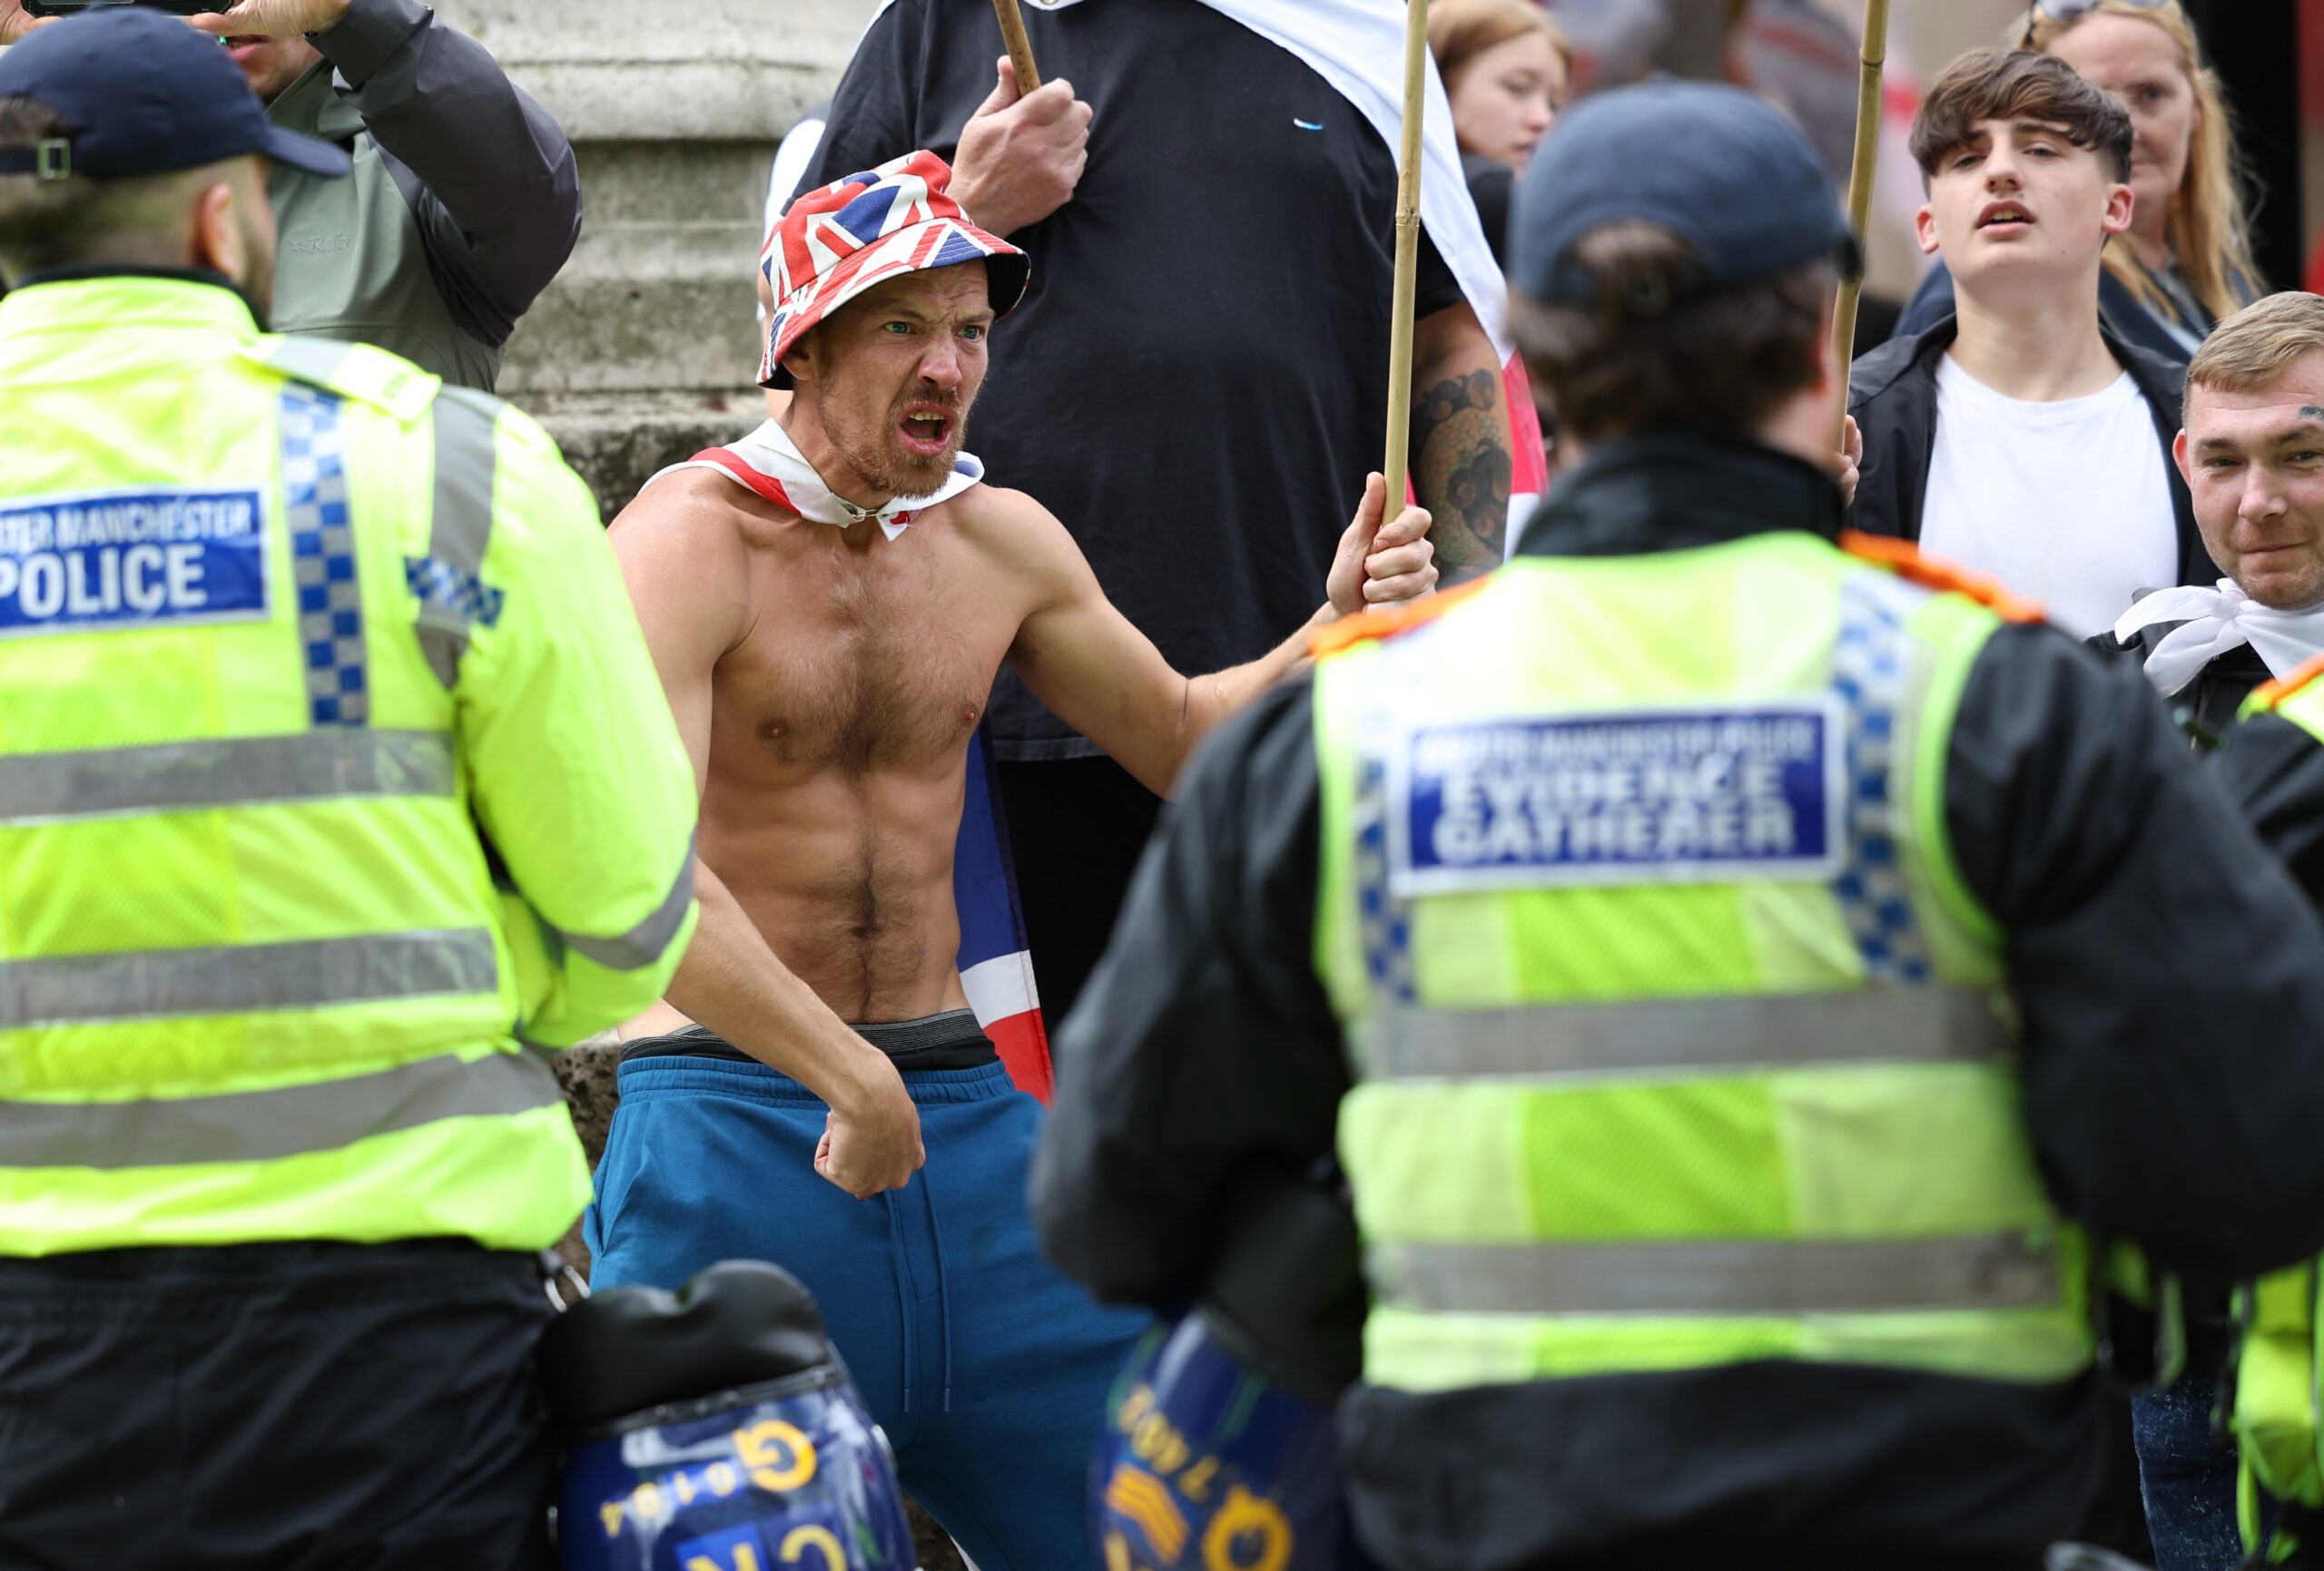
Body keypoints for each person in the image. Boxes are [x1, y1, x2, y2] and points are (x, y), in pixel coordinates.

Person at [1032, 78, 2324, 1571]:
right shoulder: (1998, 700)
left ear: (1535, 364)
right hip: (1927, 1506)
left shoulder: (1343, 732)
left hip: (1481, 1515)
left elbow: (1109, 1213)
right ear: (1819, 349)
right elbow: (2254, 1155)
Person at [583, 152, 1438, 1571]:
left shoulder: (1000, 539)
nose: (952, 365)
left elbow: (1183, 736)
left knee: (1159, 1535)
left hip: (971, 1126)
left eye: (972, 328)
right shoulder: (683, 544)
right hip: (737, 1128)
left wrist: (1331, 631)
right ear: (804, 347)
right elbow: (638, 879)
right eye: (903, 326)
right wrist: (844, 1073)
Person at [0, 11, 699, 1567]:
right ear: (221, 218)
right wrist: (442, 970)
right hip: (399, 1332)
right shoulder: (457, 474)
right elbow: (628, 925)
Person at [798, 0, 1528, 1028]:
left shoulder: (1368, 30)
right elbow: (799, 336)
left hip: (1303, 679)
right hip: (980, 711)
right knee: (1017, 1104)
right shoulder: (937, 21)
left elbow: (1450, 341)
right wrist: (969, 204)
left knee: (1276, 1087)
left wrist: (1456, 621)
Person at [1, 0, 585, 391]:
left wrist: (357, 19)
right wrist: (35, 84)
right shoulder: (59, 169)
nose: (231, 7)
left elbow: (529, 193)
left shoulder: (413, 166)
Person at [1850, 49, 2209, 640]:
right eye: (1967, 158)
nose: (2000, 171)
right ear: (1928, 224)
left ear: (2116, 205)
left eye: (2040, 149)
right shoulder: (1849, 426)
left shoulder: (2205, 425)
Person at [1897, 0, 2263, 365]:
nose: (2130, 130)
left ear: (2196, 108)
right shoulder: (1982, 291)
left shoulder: (2222, 281)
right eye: (2093, 105)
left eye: (2151, 94)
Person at [2100, 292, 2324, 743]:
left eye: (2302, 454)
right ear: (2187, 469)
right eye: (2223, 462)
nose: (2256, 503)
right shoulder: (2122, 676)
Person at [1431, 0, 1571, 267]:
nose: (1543, 119)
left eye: (1553, 104)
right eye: (1517, 87)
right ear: (1441, 80)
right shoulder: (1491, 191)